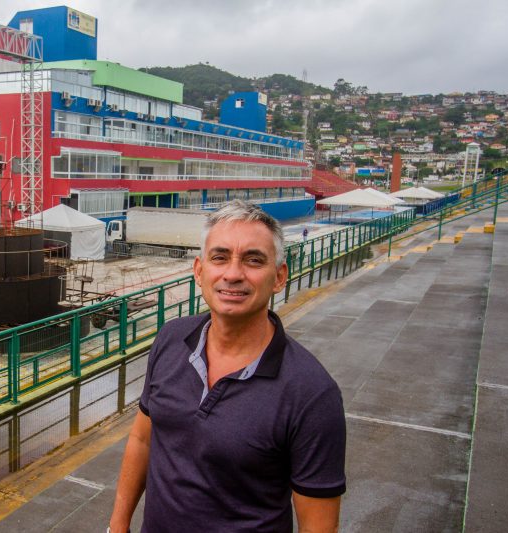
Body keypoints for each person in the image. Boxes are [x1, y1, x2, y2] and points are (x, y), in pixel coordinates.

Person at [109, 200, 346, 533]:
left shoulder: (311, 394)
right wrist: (117, 526)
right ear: (199, 271)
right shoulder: (170, 340)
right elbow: (142, 440)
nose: (233, 274)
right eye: (219, 257)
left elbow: (318, 526)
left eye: (253, 260)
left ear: (279, 277)